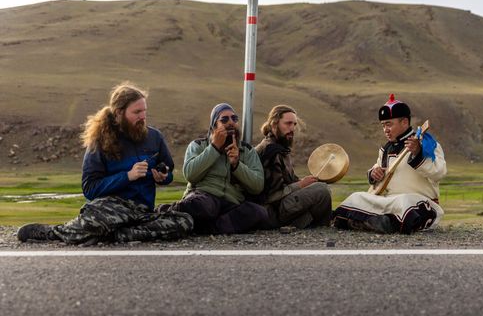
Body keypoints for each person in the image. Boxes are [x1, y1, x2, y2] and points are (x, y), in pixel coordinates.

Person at [17, 82, 194, 244]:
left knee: (184, 221)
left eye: (144, 111)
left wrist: (163, 177)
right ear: (119, 113)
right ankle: (52, 233)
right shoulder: (100, 141)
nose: (143, 116)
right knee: (95, 220)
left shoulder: (154, 137)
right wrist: (127, 176)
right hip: (111, 209)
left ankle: (116, 235)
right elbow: (90, 189)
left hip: (143, 212)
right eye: (137, 112)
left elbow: (168, 171)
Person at [333, 94, 447, 234]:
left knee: (405, 202)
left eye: (389, 124)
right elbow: (377, 169)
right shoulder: (385, 149)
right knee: (356, 197)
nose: (385, 129)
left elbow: (439, 173)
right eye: (383, 125)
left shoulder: (427, 144)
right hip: (388, 202)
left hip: (419, 202)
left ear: (404, 122)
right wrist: (374, 173)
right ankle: (380, 223)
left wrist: (418, 153)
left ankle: (367, 222)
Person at [156, 103, 268, 234]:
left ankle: (206, 228)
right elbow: (190, 174)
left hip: (231, 203)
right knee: (202, 207)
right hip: (205, 196)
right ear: (214, 126)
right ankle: (165, 211)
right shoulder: (198, 145)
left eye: (234, 118)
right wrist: (214, 148)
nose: (231, 122)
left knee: (259, 213)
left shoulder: (247, 151)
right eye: (224, 120)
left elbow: (257, 186)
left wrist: (236, 165)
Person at [254, 105, 332, 229]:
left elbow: (288, 182)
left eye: (294, 124)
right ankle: (322, 227)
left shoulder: (280, 147)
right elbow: (271, 195)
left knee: (318, 186)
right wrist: (300, 185)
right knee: (322, 190)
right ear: (274, 124)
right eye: (288, 123)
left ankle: (309, 224)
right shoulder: (270, 151)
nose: (292, 128)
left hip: (283, 205)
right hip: (273, 210)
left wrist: (303, 182)